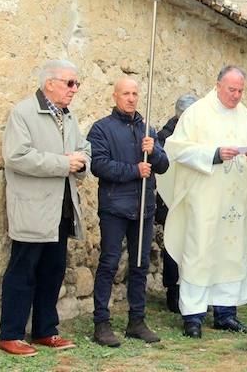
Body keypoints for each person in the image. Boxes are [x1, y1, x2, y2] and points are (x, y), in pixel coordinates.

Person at [159, 66, 247, 338]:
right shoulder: (196, 113)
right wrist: (214, 154)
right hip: (203, 198)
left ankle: (226, 313)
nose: (236, 96)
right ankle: (193, 316)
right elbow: (177, 149)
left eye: (240, 91)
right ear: (218, 85)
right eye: (231, 90)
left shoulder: (246, 119)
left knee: (231, 253)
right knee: (200, 252)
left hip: (235, 201)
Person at [0, 60, 90, 357]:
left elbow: (84, 149)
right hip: (33, 208)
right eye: (70, 83)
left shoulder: (69, 117)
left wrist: (81, 162)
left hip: (61, 207)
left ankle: (45, 331)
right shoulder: (24, 112)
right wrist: (64, 163)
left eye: (76, 84)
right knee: (23, 271)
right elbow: (16, 156)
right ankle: (10, 334)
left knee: (53, 271)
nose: (74, 89)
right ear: (50, 83)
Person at [87, 78, 170, 347]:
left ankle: (137, 321)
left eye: (135, 93)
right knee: (109, 264)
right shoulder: (101, 129)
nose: (131, 98)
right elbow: (99, 165)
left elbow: (163, 165)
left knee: (140, 265)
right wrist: (134, 170)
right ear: (115, 96)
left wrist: (153, 151)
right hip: (115, 207)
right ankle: (102, 323)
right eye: (126, 93)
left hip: (143, 207)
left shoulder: (147, 129)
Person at [156, 94, 198, 314]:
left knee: (193, 246)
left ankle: (192, 290)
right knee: (174, 247)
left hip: (194, 198)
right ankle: (173, 292)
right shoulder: (166, 136)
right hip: (171, 199)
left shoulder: (199, 135)